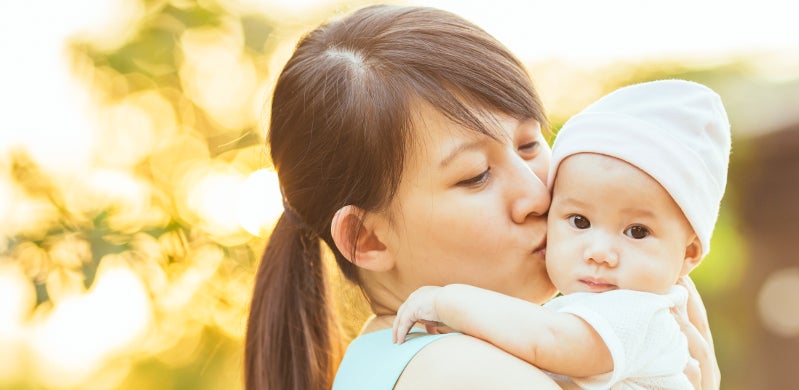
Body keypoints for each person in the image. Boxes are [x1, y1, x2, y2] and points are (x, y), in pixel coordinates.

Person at [244, 4, 720, 390]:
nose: (537, 194)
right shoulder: (465, 374)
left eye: (530, 144)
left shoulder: (387, 362)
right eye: (475, 176)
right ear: (366, 237)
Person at [392, 80, 730, 389]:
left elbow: (552, 342)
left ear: (689, 254)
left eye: (637, 231)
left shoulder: (642, 312)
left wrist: (448, 301)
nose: (599, 252)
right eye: (580, 222)